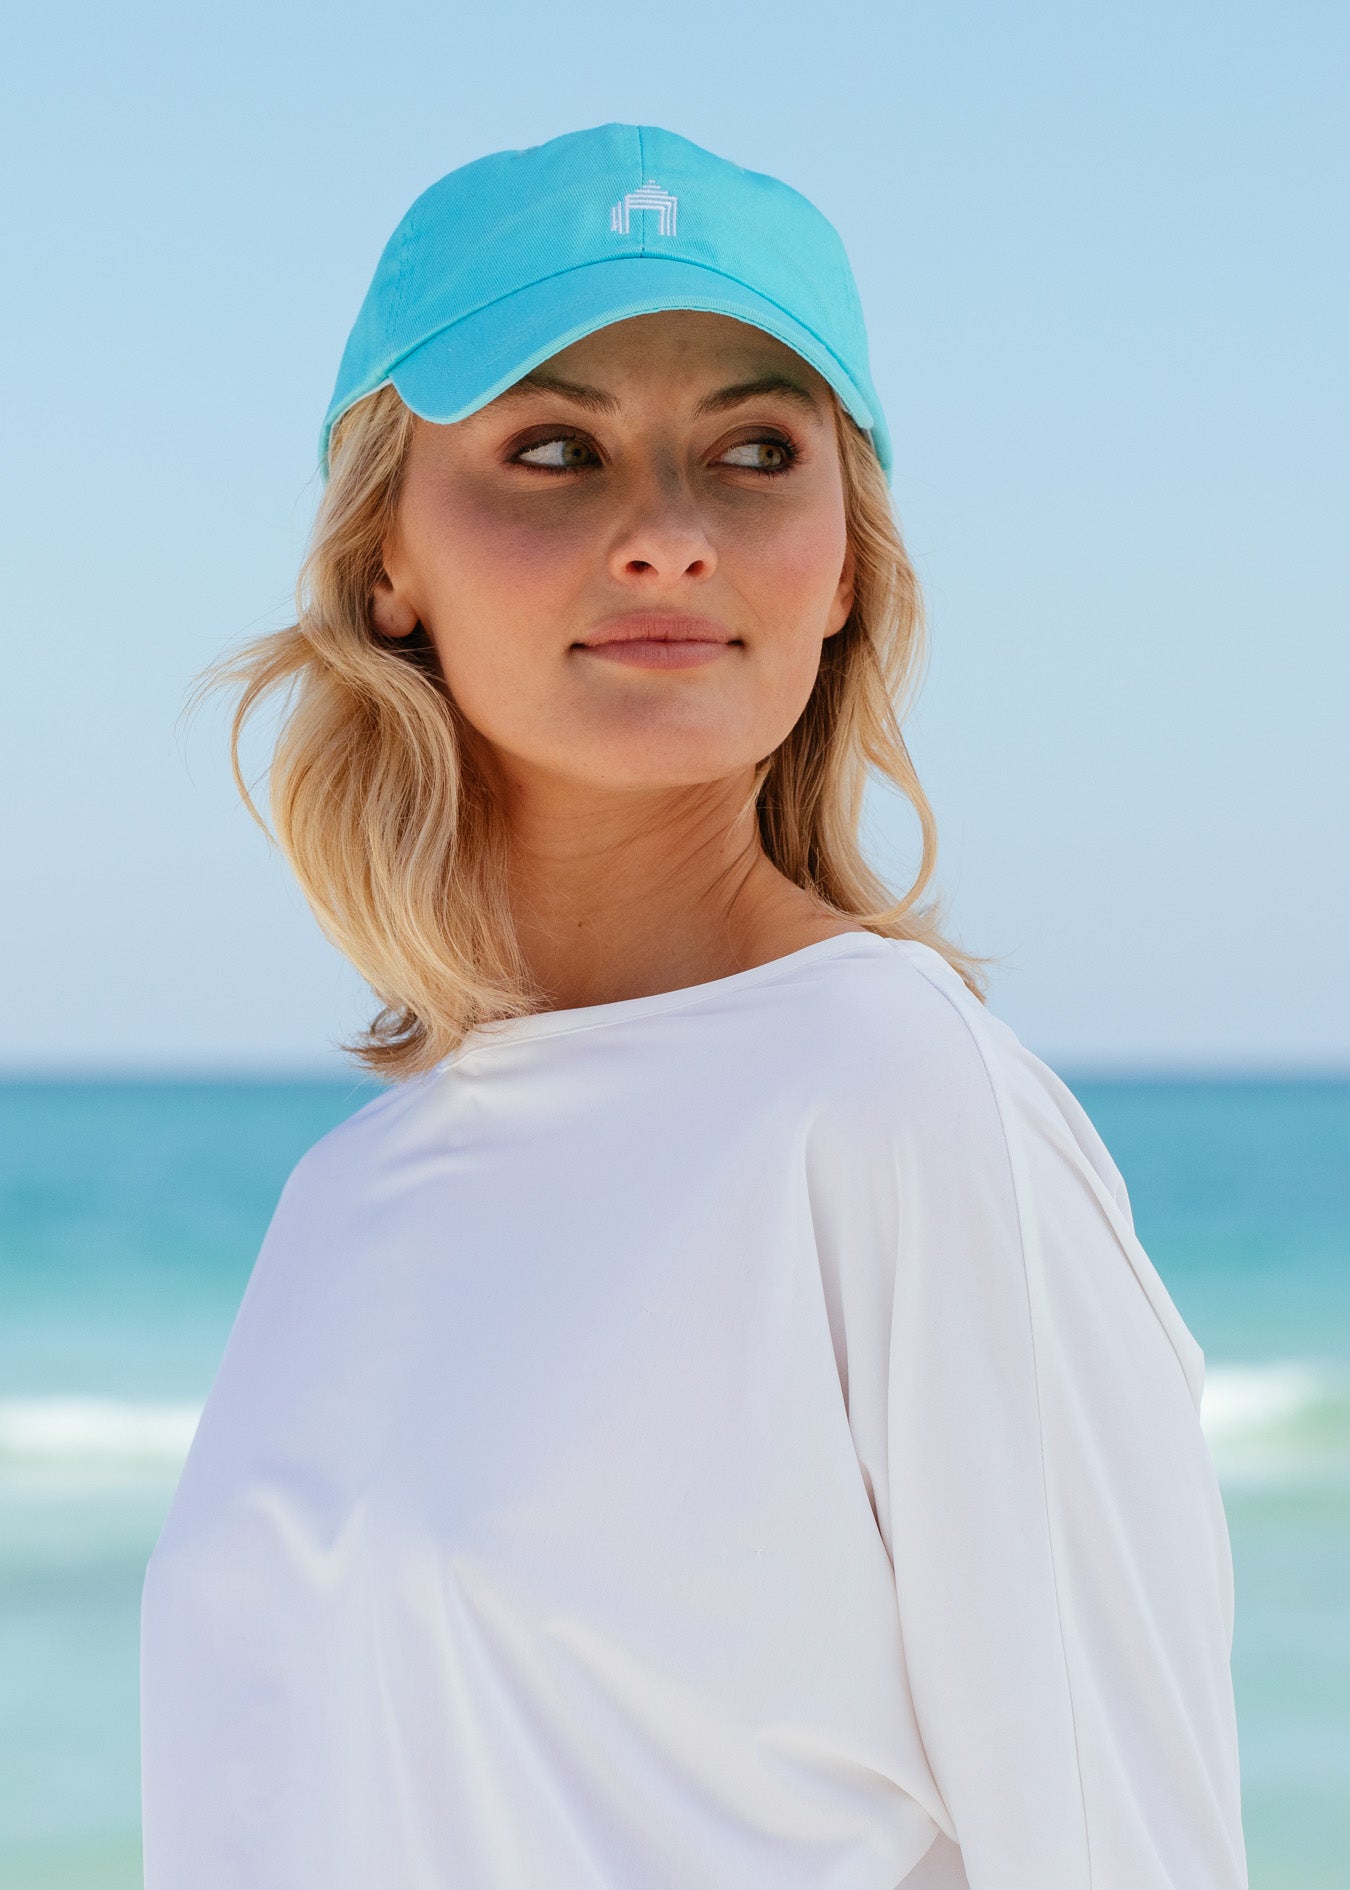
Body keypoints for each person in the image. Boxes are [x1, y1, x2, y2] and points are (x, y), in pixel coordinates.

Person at [139, 124, 1248, 1888]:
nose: (664, 536)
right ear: (385, 563)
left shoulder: (895, 1099)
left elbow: (1126, 1841)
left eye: (751, 453)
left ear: (844, 565)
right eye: (555, 450)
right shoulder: (345, 1190)